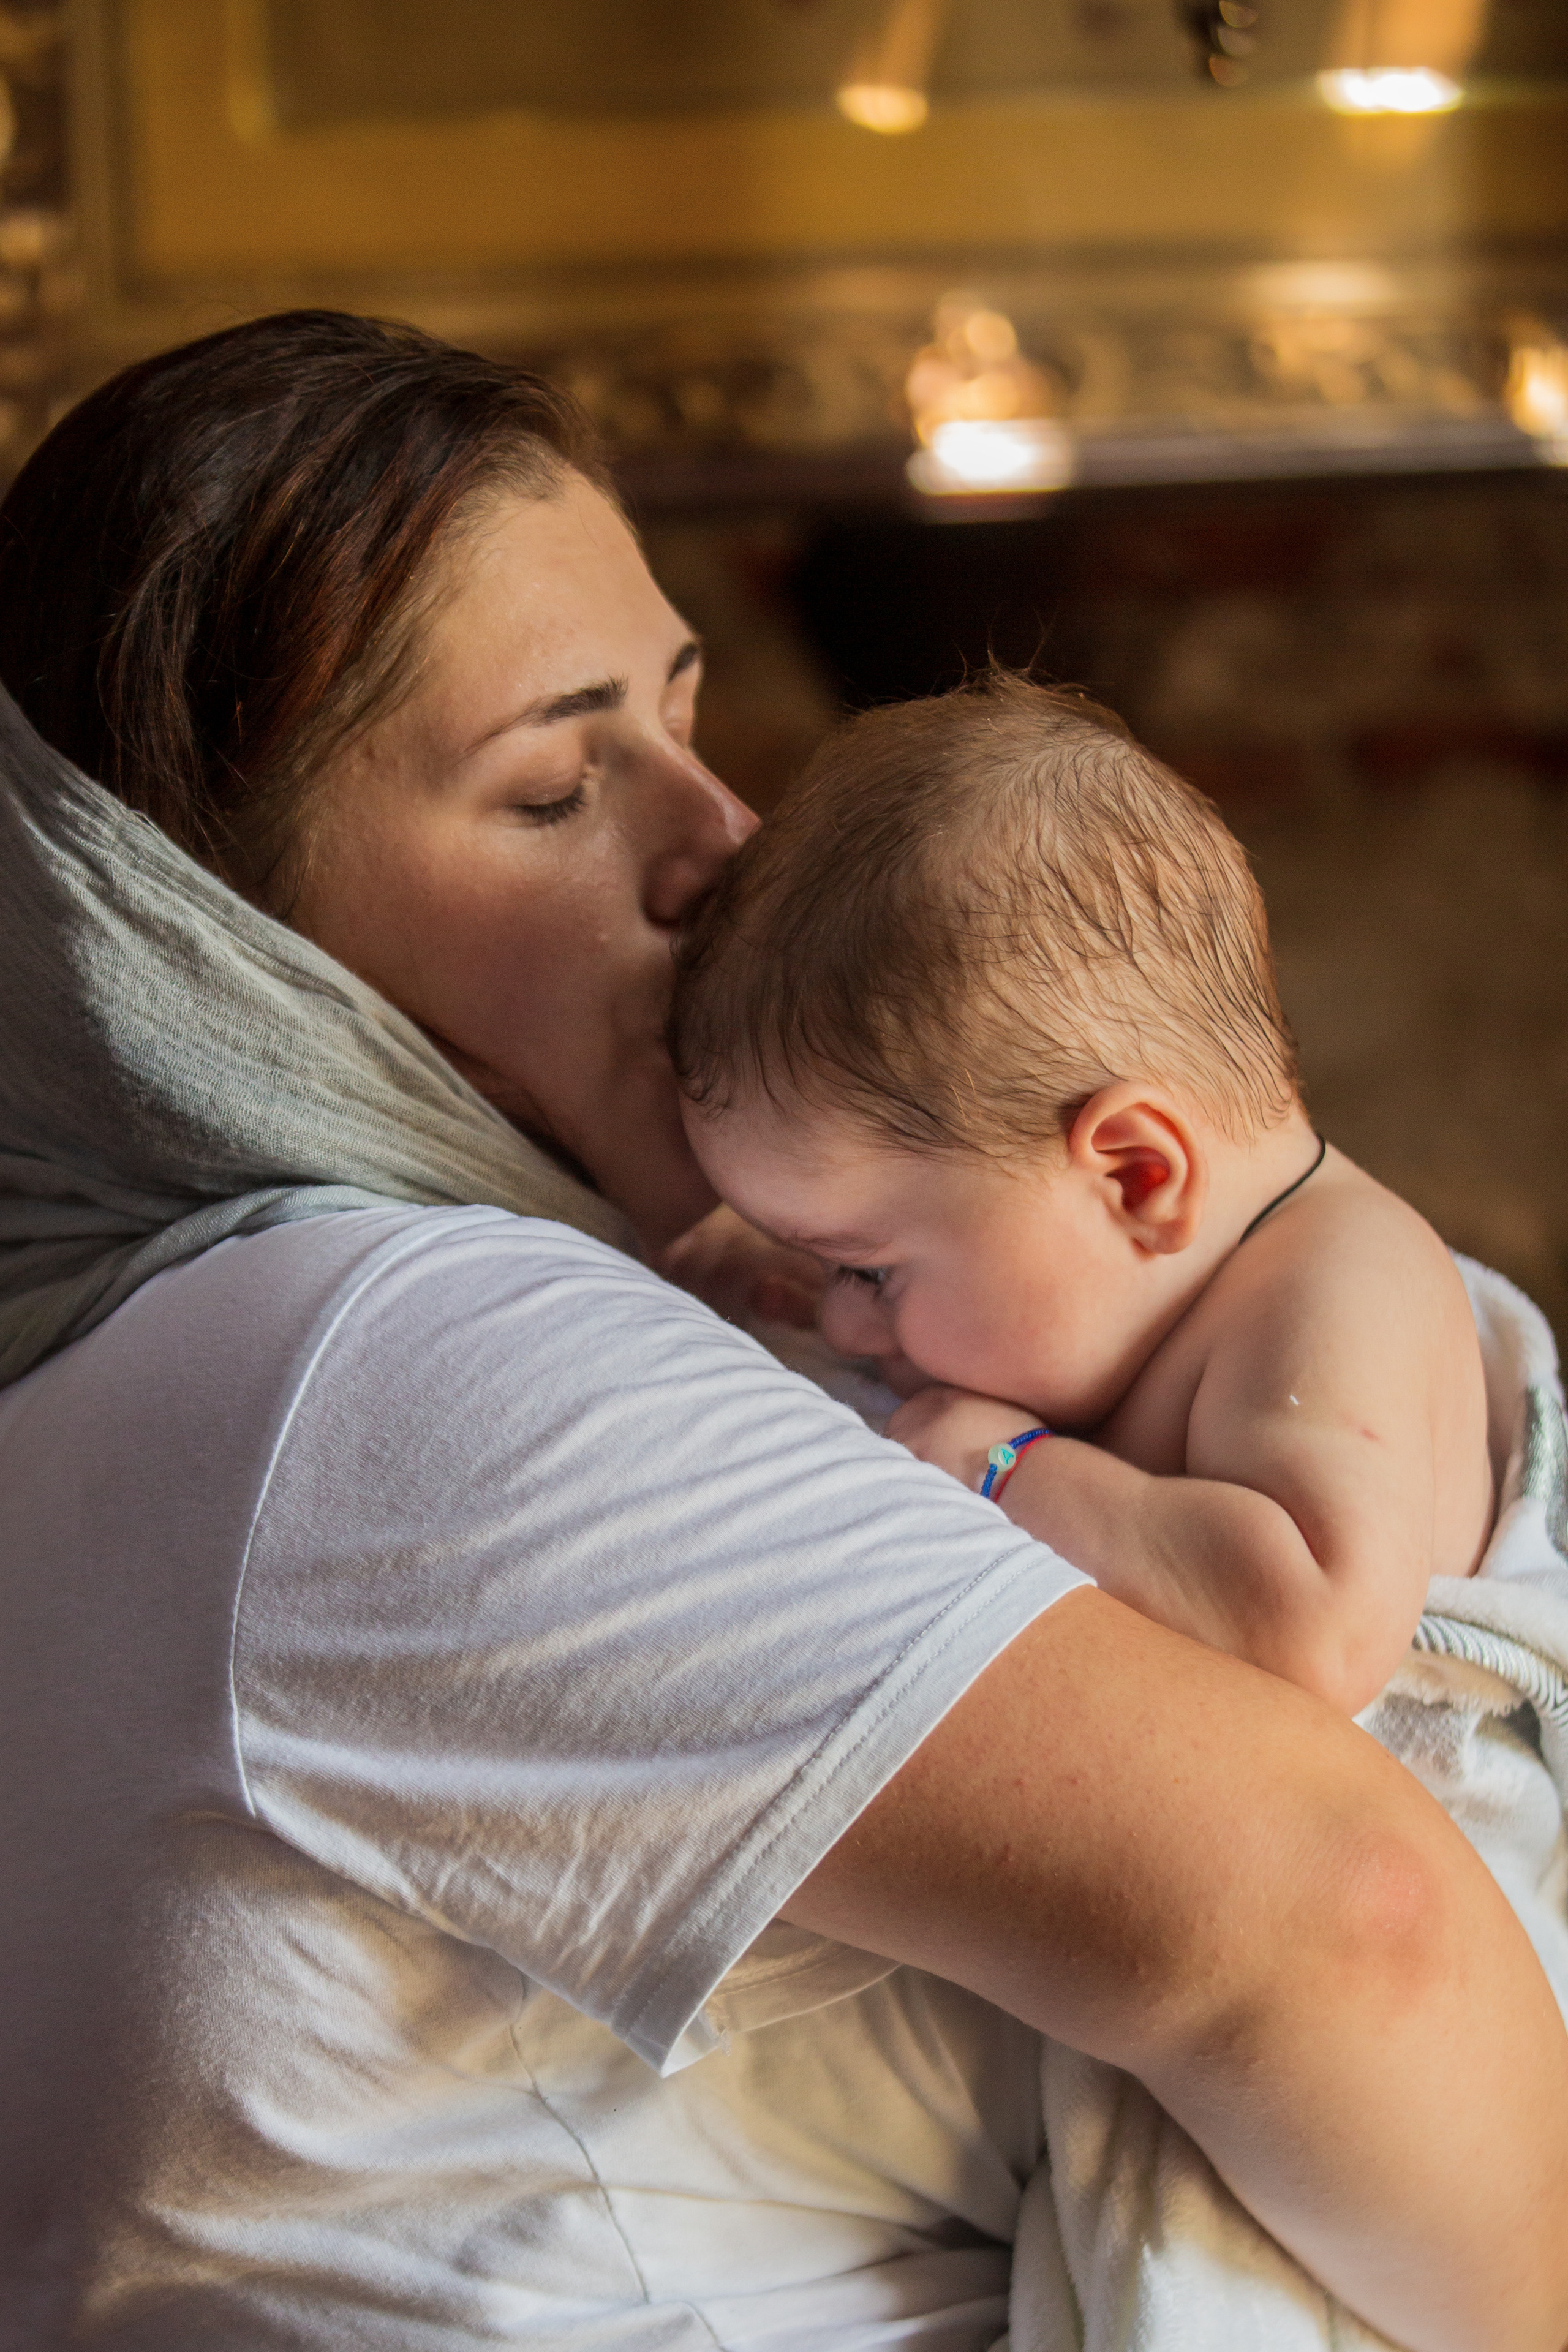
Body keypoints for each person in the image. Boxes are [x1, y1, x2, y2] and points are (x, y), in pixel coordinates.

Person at [0, 311, 1564, 2352]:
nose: (719, 840)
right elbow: (1349, 1925)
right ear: (214, 941)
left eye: (680, 711)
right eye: (559, 788)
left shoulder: (151, 1365)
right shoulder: (407, 1346)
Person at [671, 676, 1492, 1717]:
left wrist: (1007, 1465)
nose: (845, 1313)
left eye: (868, 1269)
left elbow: (1318, 1632)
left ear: (1135, 1175)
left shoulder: (1342, 1291)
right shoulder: (1152, 1279)